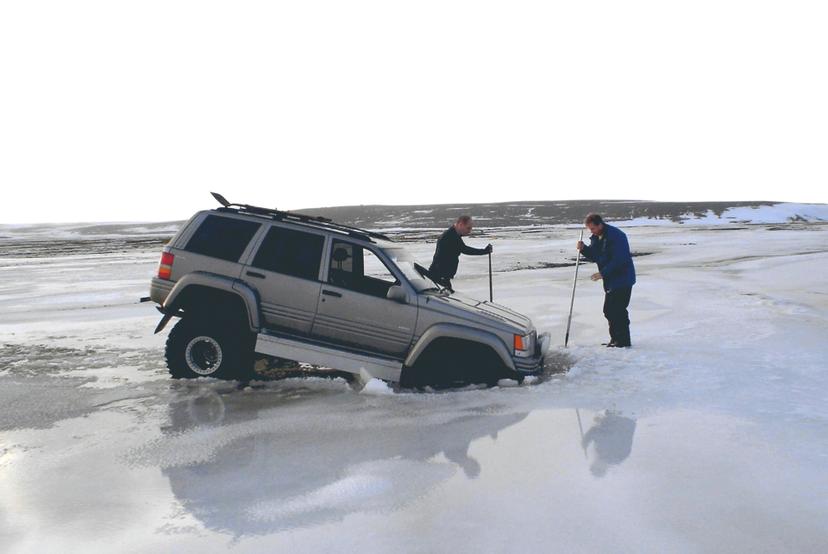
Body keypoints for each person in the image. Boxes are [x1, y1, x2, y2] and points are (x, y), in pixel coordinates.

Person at [577, 213, 636, 347]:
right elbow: (595, 255)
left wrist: (602, 273)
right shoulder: (597, 237)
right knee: (609, 310)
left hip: (623, 278)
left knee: (618, 310)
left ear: (599, 224)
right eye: (589, 229)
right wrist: (584, 249)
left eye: (592, 228)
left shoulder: (616, 236)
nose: (591, 231)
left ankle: (623, 342)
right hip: (611, 280)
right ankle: (615, 339)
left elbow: (619, 259)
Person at [428, 215, 492, 291]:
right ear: (461, 224)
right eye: (468, 228)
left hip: (441, 276)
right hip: (439, 277)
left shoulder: (453, 234)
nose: (469, 231)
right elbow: (465, 249)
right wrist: (485, 251)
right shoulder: (450, 236)